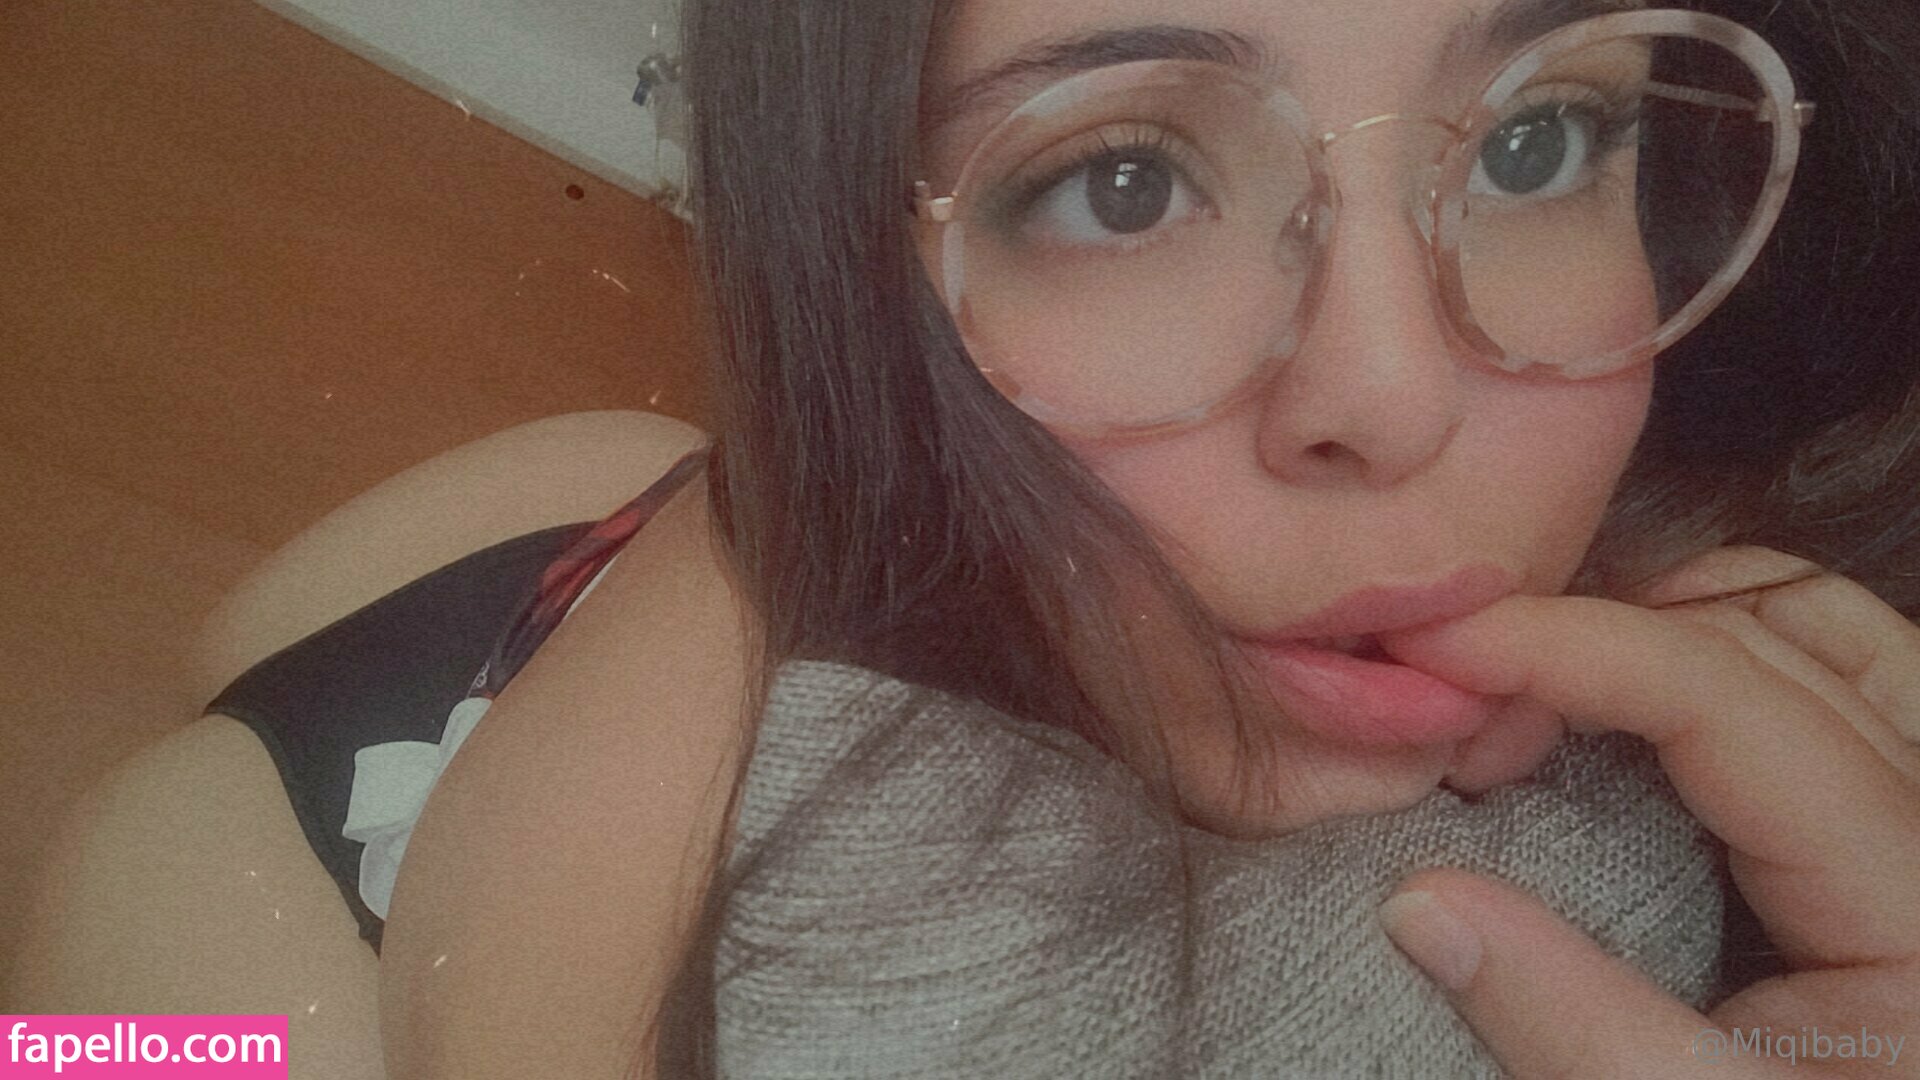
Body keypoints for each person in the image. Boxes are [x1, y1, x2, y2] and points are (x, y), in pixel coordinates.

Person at [11, 0, 1919, 1075]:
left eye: (1534, 141)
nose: (1395, 397)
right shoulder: (724, 643)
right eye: (1124, 178)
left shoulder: (1766, 735)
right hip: (334, 844)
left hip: (570, 537)